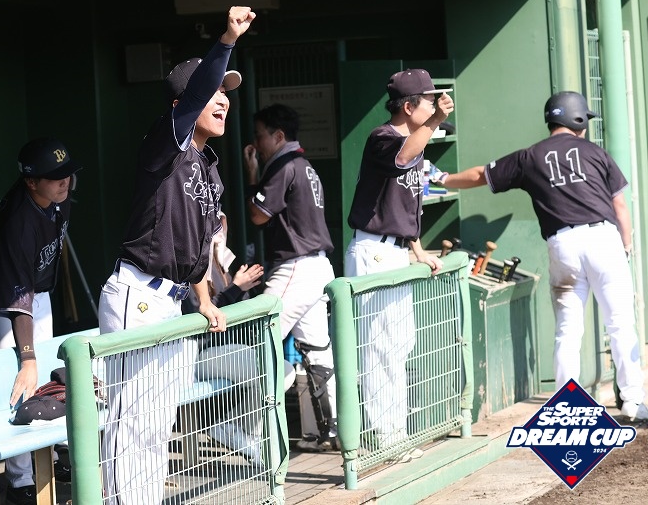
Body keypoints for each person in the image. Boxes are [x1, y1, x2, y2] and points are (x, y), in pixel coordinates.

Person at [97, 6, 255, 503]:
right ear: (182, 105)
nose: (223, 100)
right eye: (213, 93)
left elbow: (197, 248)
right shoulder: (163, 145)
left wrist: (204, 299)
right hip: (138, 292)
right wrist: (227, 39)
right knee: (131, 421)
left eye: (227, 94)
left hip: (172, 301)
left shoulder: (208, 166)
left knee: (157, 421)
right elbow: (192, 98)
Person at [434, 90, 648, 421]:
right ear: (578, 119)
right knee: (620, 323)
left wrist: (442, 178)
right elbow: (620, 204)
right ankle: (633, 401)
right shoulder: (595, 152)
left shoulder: (530, 156)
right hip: (603, 239)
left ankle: (567, 405)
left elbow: (480, 175)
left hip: (562, 244)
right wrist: (626, 246)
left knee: (568, 329)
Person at [344, 68, 453, 461]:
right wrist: (435, 121)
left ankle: (397, 432)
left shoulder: (415, 140)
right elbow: (402, 156)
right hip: (372, 249)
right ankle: (386, 436)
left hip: (393, 250)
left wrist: (418, 249)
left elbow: (406, 206)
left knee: (400, 344)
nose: (434, 107)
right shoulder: (382, 137)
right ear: (408, 106)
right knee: (378, 348)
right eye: (428, 102)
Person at [0, 137, 81, 505]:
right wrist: (27, 356)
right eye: (55, 176)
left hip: (36, 289)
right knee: (17, 374)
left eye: (67, 174)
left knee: (45, 372)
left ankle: (53, 455)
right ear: (31, 181)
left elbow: (30, 288)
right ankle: (20, 482)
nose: (65, 181)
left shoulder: (56, 195)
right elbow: (16, 299)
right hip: (0, 292)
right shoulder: (19, 221)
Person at [243, 103, 339, 452]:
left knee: (259, 339)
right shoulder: (304, 164)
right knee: (316, 351)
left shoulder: (284, 165)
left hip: (296, 267)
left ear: (278, 135)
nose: (257, 143)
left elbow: (257, 215)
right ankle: (324, 433)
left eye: (260, 136)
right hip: (317, 266)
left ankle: (245, 430)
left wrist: (252, 174)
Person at [181, 211, 267, 466]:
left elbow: (230, 313)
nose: (219, 230)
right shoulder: (189, 262)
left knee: (282, 369)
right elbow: (200, 315)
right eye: (214, 224)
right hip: (197, 355)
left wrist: (240, 290)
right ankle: (238, 432)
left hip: (224, 351)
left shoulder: (219, 263)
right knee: (264, 367)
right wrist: (236, 288)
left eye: (221, 224)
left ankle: (236, 429)